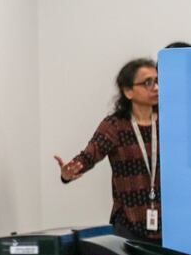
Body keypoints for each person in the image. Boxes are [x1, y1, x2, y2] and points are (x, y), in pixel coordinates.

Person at [54, 58, 161, 244]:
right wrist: (69, 173)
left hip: (170, 224)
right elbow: (89, 155)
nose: (156, 87)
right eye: (147, 82)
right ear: (128, 91)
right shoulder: (115, 125)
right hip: (129, 224)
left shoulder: (170, 120)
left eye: (158, 81)